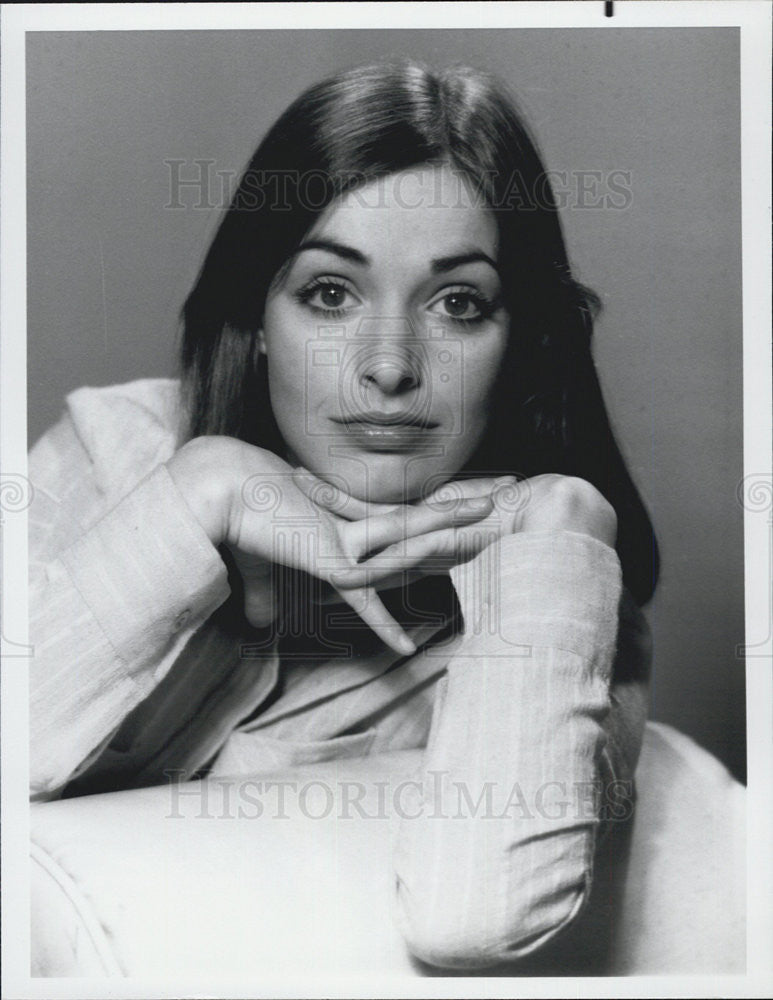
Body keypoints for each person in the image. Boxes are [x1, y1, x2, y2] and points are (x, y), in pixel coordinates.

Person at [29, 61, 656, 969]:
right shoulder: (112, 451)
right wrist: (198, 490)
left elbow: (473, 920)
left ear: (522, 339)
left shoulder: (568, 604)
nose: (390, 365)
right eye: (330, 292)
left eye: (457, 302)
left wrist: (557, 525)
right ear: (255, 317)